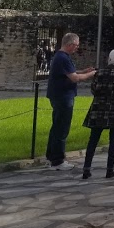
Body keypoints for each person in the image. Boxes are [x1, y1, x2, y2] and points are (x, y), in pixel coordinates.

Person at [81, 49, 114, 180]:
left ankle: (86, 169)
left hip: (99, 108)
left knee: (93, 140)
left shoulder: (100, 72)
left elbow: (94, 89)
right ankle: (109, 170)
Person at [45, 33, 95, 171]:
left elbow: (68, 72)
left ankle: (51, 156)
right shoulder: (63, 58)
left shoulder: (61, 57)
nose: (77, 48)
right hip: (63, 96)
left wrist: (82, 71)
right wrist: (91, 74)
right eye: (76, 45)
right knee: (62, 128)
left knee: (56, 126)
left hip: (58, 95)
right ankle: (58, 161)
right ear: (70, 44)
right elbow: (74, 78)